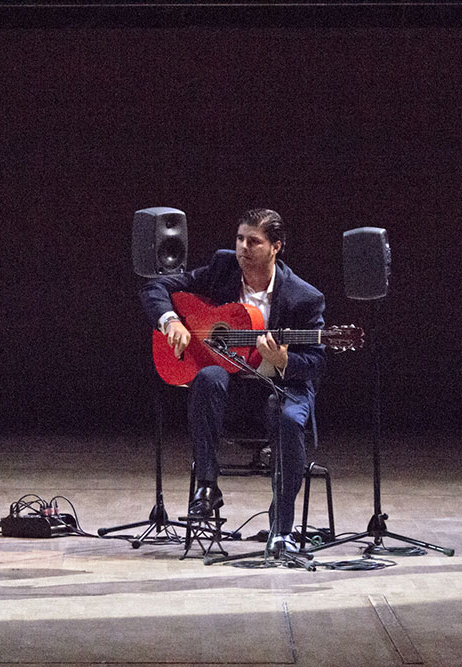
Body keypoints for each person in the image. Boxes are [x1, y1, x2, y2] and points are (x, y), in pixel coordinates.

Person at [139, 209, 325, 554]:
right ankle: (207, 486)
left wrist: (284, 359)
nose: (242, 248)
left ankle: (282, 527)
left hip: (280, 389)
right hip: (232, 392)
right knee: (208, 375)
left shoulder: (304, 297)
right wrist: (171, 322)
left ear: (276, 247)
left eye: (253, 241)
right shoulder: (223, 268)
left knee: (286, 417)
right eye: (239, 239)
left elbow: (315, 363)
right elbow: (157, 287)